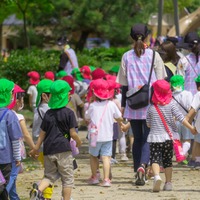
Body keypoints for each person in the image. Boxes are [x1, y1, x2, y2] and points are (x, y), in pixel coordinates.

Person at [116, 23, 167, 186]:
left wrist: (123, 106)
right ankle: (143, 167)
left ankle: (138, 168)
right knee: (147, 139)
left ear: (132, 37)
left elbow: (123, 85)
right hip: (151, 103)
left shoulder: (126, 56)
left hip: (132, 103)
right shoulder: (154, 56)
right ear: (146, 37)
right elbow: (161, 82)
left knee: (137, 138)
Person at [30, 80, 82, 200]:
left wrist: (35, 148)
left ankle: (37, 190)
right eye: (68, 93)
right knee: (67, 179)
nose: (70, 94)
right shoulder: (69, 113)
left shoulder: (48, 113)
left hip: (48, 150)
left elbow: (42, 134)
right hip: (63, 150)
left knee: (49, 176)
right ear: (64, 96)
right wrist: (79, 142)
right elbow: (73, 133)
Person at [146, 79, 196, 192]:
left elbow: (148, 123)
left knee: (155, 159)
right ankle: (168, 183)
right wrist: (191, 128)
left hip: (155, 138)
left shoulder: (151, 108)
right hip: (169, 138)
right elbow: (181, 118)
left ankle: (157, 177)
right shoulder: (172, 105)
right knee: (168, 160)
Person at [85, 79, 123, 187]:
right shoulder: (111, 104)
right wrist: (122, 123)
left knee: (93, 156)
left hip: (94, 136)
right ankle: (106, 179)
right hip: (108, 136)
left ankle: (94, 177)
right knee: (106, 157)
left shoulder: (92, 106)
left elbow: (87, 117)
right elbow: (119, 116)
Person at [6, 84, 35, 200]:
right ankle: (3, 194)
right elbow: (26, 135)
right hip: (16, 152)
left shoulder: (3, 114)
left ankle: (14, 197)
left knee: (10, 177)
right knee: (12, 176)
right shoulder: (18, 116)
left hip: (4, 151)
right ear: (17, 100)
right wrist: (34, 147)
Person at [32, 79, 54, 200]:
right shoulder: (48, 110)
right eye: (54, 95)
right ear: (44, 95)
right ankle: (44, 195)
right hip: (48, 147)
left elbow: (35, 132)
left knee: (50, 172)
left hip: (40, 147)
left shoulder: (37, 109)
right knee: (51, 174)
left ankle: (39, 186)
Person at [0, 78, 22, 200]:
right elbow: (15, 139)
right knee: (3, 186)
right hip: (5, 159)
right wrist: (17, 157)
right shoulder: (9, 115)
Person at [169, 75, 194, 164]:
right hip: (187, 120)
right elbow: (191, 107)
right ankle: (183, 155)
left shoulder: (170, 95)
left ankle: (180, 155)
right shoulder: (188, 94)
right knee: (187, 140)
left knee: (177, 141)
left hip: (174, 120)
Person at [185, 75, 200, 169]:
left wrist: (188, 120)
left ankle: (196, 161)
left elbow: (193, 109)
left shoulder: (198, 94)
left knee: (197, 142)